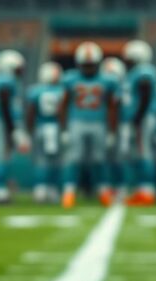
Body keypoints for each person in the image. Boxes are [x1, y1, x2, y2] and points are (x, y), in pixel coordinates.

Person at [58, 41, 118, 209]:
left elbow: (113, 107)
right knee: (74, 159)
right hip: (76, 122)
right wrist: (64, 129)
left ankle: (104, 191)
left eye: (91, 65)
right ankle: (69, 192)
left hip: (99, 123)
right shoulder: (70, 79)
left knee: (99, 159)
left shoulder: (108, 80)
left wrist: (112, 131)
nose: (88, 68)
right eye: (86, 65)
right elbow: (63, 105)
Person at [120, 40, 156, 207]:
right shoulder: (137, 72)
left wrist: (137, 117)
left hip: (143, 118)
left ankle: (147, 191)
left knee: (144, 153)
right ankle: (142, 190)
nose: (126, 61)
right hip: (139, 118)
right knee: (139, 154)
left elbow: (145, 93)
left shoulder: (144, 72)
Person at [26, 62, 65, 203]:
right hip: (56, 128)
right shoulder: (61, 91)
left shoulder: (35, 91)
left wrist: (29, 131)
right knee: (55, 161)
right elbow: (62, 112)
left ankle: (40, 189)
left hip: (40, 127)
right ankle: (52, 188)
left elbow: (30, 113)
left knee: (40, 160)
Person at [0, 49, 29, 203]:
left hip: (6, 123)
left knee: (5, 158)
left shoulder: (8, 80)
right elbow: (5, 105)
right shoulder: (5, 81)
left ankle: (1, 188)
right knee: (2, 157)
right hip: (3, 124)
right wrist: (12, 128)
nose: (21, 71)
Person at [100, 57, 126, 203]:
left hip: (121, 126)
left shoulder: (122, 88)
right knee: (104, 159)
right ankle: (106, 188)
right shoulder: (102, 86)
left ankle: (120, 188)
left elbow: (117, 109)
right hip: (104, 126)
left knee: (118, 159)